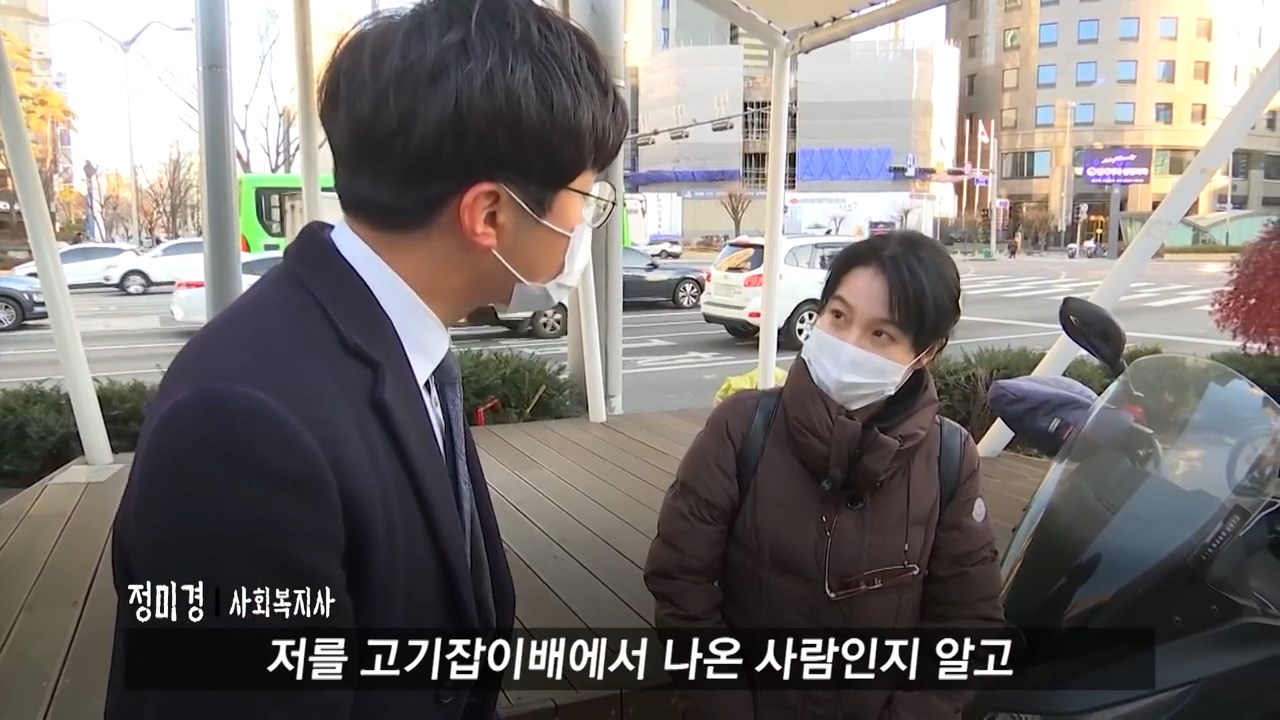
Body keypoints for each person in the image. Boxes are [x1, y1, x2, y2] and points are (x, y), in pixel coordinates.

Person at [105, 1, 628, 718]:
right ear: (489, 215)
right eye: (584, 195)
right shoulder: (236, 427)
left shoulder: (403, 344)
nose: (586, 221)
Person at [644, 231, 1004, 719]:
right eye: (838, 316)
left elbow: (965, 622)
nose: (847, 343)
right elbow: (681, 581)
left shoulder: (949, 458)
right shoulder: (742, 427)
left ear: (926, 353)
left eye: (881, 334)